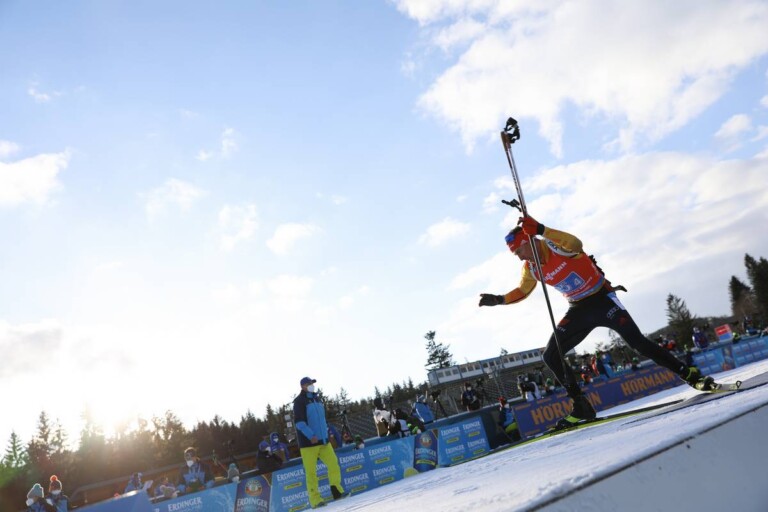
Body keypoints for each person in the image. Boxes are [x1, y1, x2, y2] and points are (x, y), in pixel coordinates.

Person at [479, 216, 715, 429]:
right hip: (578, 309)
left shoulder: (553, 245)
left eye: (518, 250)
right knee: (550, 355)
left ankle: (690, 375)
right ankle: (581, 405)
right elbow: (523, 290)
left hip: (602, 300)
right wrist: (500, 299)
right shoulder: (530, 268)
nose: (519, 256)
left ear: (528, 241)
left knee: (638, 343)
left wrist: (541, 229)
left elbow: (576, 245)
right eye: (515, 254)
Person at [292, 376, 346, 509]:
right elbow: (299, 423)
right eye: (309, 383)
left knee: (333, 463)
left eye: (312, 383)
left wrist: (326, 433)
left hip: (323, 441)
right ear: (303, 386)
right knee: (311, 473)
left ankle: (337, 491)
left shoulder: (317, 399)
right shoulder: (299, 401)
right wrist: (311, 435)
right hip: (308, 443)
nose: (312, 385)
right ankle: (315, 500)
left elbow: (322, 419)